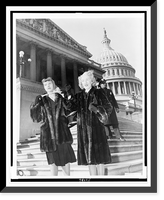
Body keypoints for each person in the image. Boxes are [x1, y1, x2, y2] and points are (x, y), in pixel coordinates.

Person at [67, 70, 112, 175]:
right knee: (89, 158)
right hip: (83, 131)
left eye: (87, 80)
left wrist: (97, 110)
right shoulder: (78, 96)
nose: (85, 82)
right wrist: (69, 96)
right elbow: (69, 108)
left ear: (92, 81)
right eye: (83, 81)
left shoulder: (99, 92)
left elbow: (109, 107)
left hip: (97, 129)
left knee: (100, 157)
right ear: (81, 83)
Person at [30, 77, 76, 176]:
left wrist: (68, 97)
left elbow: (70, 110)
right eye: (45, 85)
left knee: (66, 161)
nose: (48, 86)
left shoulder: (60, 97)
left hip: (62, 134)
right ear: (44, 87)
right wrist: (35, 105)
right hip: (48, 137)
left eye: (50, 84)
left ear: (53, 84)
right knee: (52, 163)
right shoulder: (42, 100)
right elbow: (36, 118)